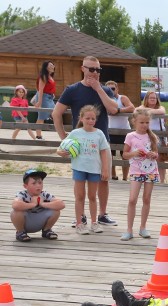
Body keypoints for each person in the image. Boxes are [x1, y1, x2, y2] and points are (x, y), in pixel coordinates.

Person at [52, 55, 118, 227]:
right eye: (91, 69)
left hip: (102, 142)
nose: (94, 73)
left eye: (98, 70)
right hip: (80, 144)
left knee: (104, 178)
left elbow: (113, 109)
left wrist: (98, 89)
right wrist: (64, 139)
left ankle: (102, 214)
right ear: (83, 69)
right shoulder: (72, 90)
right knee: (80, 180)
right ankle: (80, 216)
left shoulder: (105, 90)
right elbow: (56, 113)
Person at [56, 105, 110, 235]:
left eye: (93, 118)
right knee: (79, 196)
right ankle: (79, 223)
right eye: (88, 118)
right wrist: (60, 152)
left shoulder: (99, 133)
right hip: (79, 168)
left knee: (92, 196)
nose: (90, 121)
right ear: (81, 118)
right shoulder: (75, 133)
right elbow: (62, 147)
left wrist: (105, 169)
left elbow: (104, 152)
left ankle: (94, 223)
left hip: (94, 169)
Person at [120, 109, 159, 241]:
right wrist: (134, 153)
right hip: (136, 170)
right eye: (141, 122)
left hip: (151, 171)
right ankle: (129, 229)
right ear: (134, 122)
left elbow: (156, 153)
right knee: (132, 199)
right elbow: (124, 154)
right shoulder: (130, 136)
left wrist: (154, 155)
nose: (144, 125)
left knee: (146, 198)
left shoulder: (152, 136)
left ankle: (143, 227)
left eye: (147, 122)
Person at [11, 169, 65, 242]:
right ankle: (20, 232)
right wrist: (33, 204)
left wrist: (42, 204)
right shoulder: (22, 194)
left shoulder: (44, 194)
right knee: (16, 212)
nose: (38, 186)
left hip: (40, 221)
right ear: (25, 186)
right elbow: (15, 205)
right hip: (26, 221)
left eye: (40, 183)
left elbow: (61, 204)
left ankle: (46, 230)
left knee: (56, 210)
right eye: (34, 183)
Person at [136, 91, 168, 183]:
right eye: (150, 97)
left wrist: (147, 111)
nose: (152, 99)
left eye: (154, 98)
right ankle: (149, 178)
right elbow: (136, 111)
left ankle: (161, 180)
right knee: (147, 157)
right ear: (146, 99)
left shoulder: (160, 107)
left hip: (160, 136)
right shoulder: (141, 107)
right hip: (147, 135)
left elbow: (162, 111)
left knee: (160, 159)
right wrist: (150, 111)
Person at [105, 80, 135, 180]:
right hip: (110, 131)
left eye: (113, 88)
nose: (111, 90)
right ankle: (113, 176)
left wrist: (118, 110)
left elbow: (132, 108)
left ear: (117, 89)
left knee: (125, 156)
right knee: (110, 155)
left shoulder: (123, 98)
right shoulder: (105, 99)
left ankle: (125, 178)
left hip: (124, 131)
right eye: (108, 89)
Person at [34, 60, 56, 141]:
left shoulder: (50, 76)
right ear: (45, 68)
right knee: (41, 117)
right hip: (43, 97)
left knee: (56, 113)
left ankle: (61, 132)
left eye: (52, 65)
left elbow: (49, 88)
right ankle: (38, 136)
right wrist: (39, 102)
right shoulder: (43, 76)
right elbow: (41, 89)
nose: (52, 67)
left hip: (49, 97)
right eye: (50, 66)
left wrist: (52, 94)